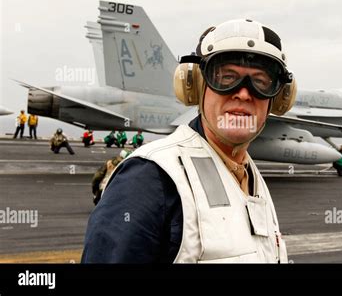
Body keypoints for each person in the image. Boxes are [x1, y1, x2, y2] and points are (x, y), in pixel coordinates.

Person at [82, 19, 295, 263]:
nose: (244, 93)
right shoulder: (149, 180)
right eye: (226, 77)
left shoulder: (253, 180)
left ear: (279, 100)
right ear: (194, 85)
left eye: (260, 81)